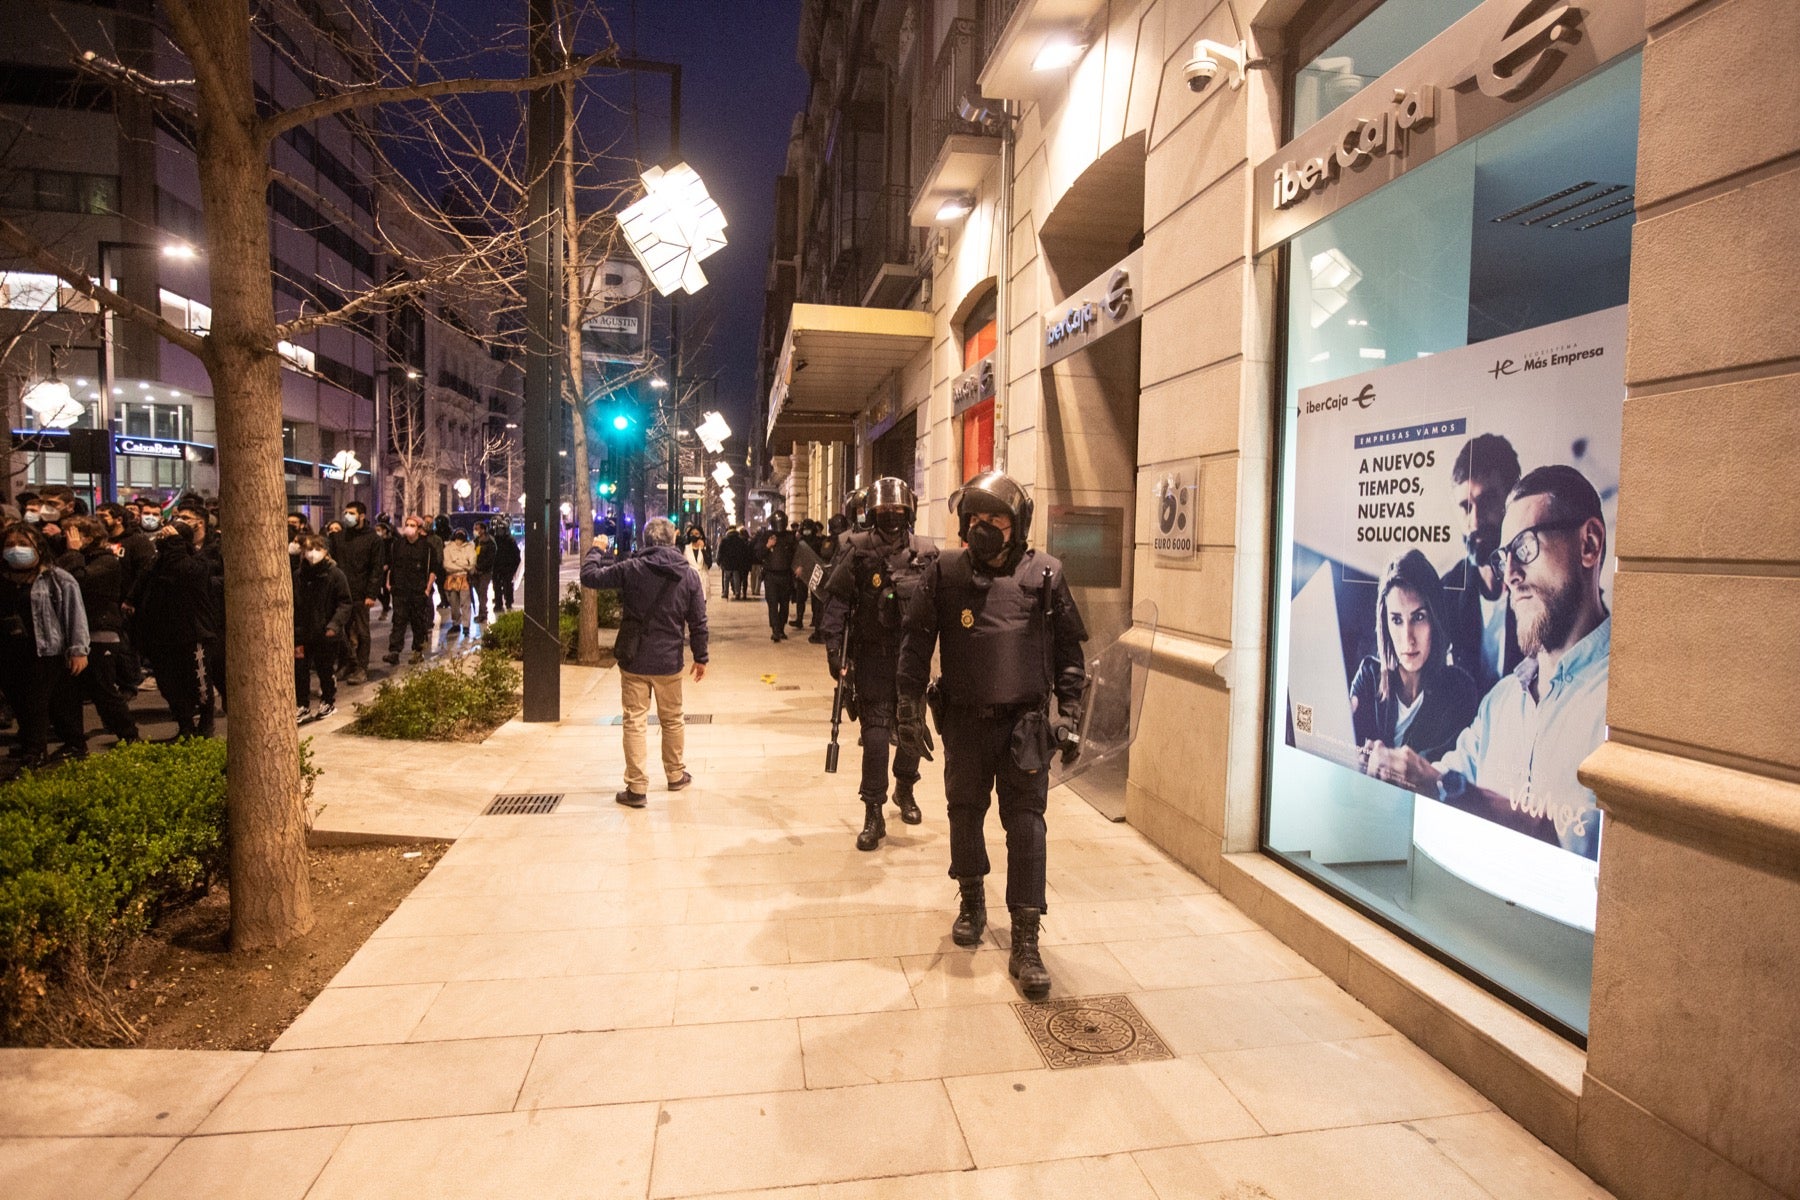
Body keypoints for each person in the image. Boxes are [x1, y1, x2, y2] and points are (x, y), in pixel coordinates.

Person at [896, 471, 1087, 1001]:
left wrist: (1071, 713)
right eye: (975, 518)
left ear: (1017, 524)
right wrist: (908, 708)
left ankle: (1026, 938)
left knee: (1027, 827)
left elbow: (1070, 654)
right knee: (964, 813)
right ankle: (972, 900)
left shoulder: (1046, 574)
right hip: (963, 720)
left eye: (995, 519)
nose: (983, 527)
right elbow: (916, 642)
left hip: (1025, 726)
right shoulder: (944, 572)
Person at [1367, 465, 1613, 859]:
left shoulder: (1625, 709)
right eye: (1504, 558)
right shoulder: (1498, 704)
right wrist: (1390, 772)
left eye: (1526, 548)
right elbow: (1442, 777)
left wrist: (1450, 791)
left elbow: (1581, 851)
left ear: (1589, 544)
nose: (1510, 575)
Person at [820, 478, 939, 851]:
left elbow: (943, 606)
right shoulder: (856, 550)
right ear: (872, 513)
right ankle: (873, 810)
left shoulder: (926, 553)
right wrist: (835, 651)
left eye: (897, 510)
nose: (891, 516)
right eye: (884, 510)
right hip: (872, 657)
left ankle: (905, 788)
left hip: (912, 658)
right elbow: (837, 602)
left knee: (911, 730)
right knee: (874, 738)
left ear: (908, 512)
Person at [580, 518, 709, 809]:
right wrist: (700, 657)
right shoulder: (688, 575)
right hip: (669, 660)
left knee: (634, 721)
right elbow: (698, 621)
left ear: (645, 541)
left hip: (635, 659)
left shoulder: (632, 568)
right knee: (672, 718)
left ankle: (637, 787)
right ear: (672, 540)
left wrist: (597, 549)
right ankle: (675, 774)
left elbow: (590, 577)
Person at [1349, 549, 1481, 762]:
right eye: (1397, 620)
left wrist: (1387, 761)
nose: (1408, 638)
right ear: (1385, 624)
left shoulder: (1459, 691)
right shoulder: (1369, 677)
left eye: (1418, 617)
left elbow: (1437, 768)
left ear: (1435, 619)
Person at [0, 522, 89, 766]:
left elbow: (74, 614)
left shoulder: (57, 578)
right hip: (9, 652)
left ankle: (36, 752)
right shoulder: (5, 579)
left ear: (38, 547)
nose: (15, 549)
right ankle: (31, 744)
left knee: (36, 703)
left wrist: (78, 649)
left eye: (23, 544)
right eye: (10, 544)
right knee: (18, 702)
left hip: (45, 652)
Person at [1441, 433, 1524, 693]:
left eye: (1487, 501)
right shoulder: (1444, 593)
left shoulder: (1540, 586)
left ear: (1512, 501)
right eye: (1466, 507)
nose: (1475, 521)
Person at [55, 516, 140, 746]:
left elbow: (79, 581)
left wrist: (73, 553)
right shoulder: (73, 557)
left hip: (99, 632)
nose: (67, 539)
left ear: (89, 537)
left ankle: (129, 735)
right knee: (68, 693)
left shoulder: (106, 561)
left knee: (103, 690)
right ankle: (74, 742)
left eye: (72, 534)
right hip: (71, 634)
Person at [131, 512, 215, 738]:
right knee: (169, 685)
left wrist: (176, 542)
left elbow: (185, 572)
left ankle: (206, 724)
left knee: (200, 683)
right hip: (162, 637)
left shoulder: (198, 562)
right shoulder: (157, 564)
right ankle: (185, 725)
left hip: (193, 634)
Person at [292, 532, 351, 721]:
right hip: (302, 632)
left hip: (326, 632)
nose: (312, 553)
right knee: (300, 669)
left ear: (325, 551)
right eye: (308, 549)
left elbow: (344, 603)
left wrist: (334, 625)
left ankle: (328, 701)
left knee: (325, 668)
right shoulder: (299, 576)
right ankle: (302, 705)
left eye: (317, 549)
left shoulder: (335, 574)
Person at [328, 501, 384, 683]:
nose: (347, 516)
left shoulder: (373, 539)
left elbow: (376, 569)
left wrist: (371, 594)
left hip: (361, 593)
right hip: (341, 594)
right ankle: (346, 664)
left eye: (351, 513)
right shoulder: (339, 538)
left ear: (362, 516)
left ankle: (361, 667)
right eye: (346, 512)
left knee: (361, 632)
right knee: (341, 632)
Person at [383, 515, 441, 665]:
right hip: (400, 590)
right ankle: (394, 651)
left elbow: (432, 570)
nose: (408, 528)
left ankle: (417, 651)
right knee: (398, 621)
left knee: (418, 623)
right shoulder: (398, 545)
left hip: (418, 591)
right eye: (407, 524)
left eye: (412, 525)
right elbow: (392, 565)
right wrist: (389, 583)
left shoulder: (427, 548)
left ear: (419, 529)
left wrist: (427, 589)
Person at [754, 511, 798, 641]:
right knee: (772, 604)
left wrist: (798, 567)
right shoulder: (766, 536)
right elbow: (758, 554)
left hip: (786, 575)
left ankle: (781, 628)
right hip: (771, 575)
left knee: (784, 604)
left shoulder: (790, 537)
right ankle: (775, 630)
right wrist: (768, 546)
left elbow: (797, 554)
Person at [441, 528, 476, 636]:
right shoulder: (448, 548)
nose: (459, 539)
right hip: (451, 579)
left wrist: (456, 562)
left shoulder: (470, 548)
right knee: (453, 603)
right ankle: (456, 623)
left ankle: (466, 626)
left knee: (466, 604)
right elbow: (447, 565)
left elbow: (471, 565)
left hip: (465, 578)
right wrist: (463, 565)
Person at [491, 519, 520, 613]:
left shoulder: (510, 541)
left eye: (502, 530)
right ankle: (498, 604)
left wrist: (513, 568)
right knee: (497, 587)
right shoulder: (494, 540)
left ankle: (508, 603)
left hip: (507, 568)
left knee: (508, 586)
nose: (500, 532)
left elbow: (516, 556)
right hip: (496, 568)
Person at [715, 525, 751, 600]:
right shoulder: (740, 540)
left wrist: (718, 561)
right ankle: (737, 593)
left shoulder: (724, 540)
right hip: (736, 563)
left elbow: (720, 551)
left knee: (726, 578)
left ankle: (725, 593)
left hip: (726, 562)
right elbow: (744, 552)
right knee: (736, 578)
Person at [470, 522, 494, 624]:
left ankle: (483, 614)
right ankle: (481, 612)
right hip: (475, 572)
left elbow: (490, 559)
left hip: (485, 572)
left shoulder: (490, 542)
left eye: (477, 529)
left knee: (483, 592)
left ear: (483, 530)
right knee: (479, 593)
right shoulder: (475, 541)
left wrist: (479, 567)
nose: (475, 531)